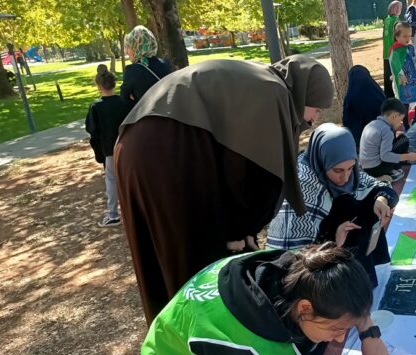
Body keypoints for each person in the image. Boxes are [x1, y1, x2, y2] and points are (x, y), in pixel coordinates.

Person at [115, 56, 334, 324]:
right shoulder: (274, 92)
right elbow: (257, 174)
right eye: (317, 109)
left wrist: (238, 229)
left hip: (131, 143)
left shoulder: (258, 80)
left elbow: (233, 157)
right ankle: (194, 342)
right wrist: (241, 231)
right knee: (192, 261)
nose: (314, 118)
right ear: (304, 94)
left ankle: (168, 341)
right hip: (165, 147)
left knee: (158, 257)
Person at [140, 243, 389, 355]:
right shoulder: (238, 346)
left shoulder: (302, 269)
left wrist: (369, 333)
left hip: (197, 345)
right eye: (338, 328)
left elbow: (345, 299)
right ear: (304, 308)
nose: (340, 337)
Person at [267, 124, 398, 287]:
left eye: (350, 168)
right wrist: (333, 240)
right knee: (347, 205)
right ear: (323, 160)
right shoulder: (302, 186)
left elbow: (378, 187)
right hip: (315, 265)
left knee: (364, 203)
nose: (346, 177)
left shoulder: (347, 169)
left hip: (339, 245)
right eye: (338, 170)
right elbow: (292, 259)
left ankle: (365, 278)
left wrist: (381, 200)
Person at [85, 65, 128, 228]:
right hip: (127, 146)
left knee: (111, 180)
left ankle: (113, 214)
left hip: (110, 148)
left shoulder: (96, 107)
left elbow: (91, 129)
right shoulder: (124, 102)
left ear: (99, 86)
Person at [360, 98, 416, 181]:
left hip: (366, 168)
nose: (401, 122)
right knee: (403, 139)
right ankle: (388, 173)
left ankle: (381, 175)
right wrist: (407, 156)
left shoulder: (373, 124)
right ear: (394, 116)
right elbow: (385, 156)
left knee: (399, 140)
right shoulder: (386, 130)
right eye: (400, 119)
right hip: (376, 169)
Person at [120, 25, 172, 108]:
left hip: (149, 117)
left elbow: (124, 99)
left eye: (128, 47)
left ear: (136, 47)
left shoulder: (132, 71)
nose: (126, 52)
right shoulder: (166, 64)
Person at [389, 22, 416, 129]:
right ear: (397, 36)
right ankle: (405, 124)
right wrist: (400, 76)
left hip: (412, 79)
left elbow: (415, 62)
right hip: (403, 82)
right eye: (405, 36)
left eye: (409, 35)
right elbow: (394, 66)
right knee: (404, 103)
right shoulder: (395, 51)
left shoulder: (410, 48)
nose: (408, 38)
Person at [342, 65, 386, 150]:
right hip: (382, 137)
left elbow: (346, 121)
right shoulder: (378, 92)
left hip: (360, 141)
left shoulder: (351, 97)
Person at [382, 1, 403, 98]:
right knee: (394, 75)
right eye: (399, 8)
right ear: (396, 9)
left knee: (387, 75)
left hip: (386, 52)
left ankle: (388, 95)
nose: (401, 10)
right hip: (394, 52)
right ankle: (395, 95)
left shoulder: (386, 20)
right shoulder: (396, 20)